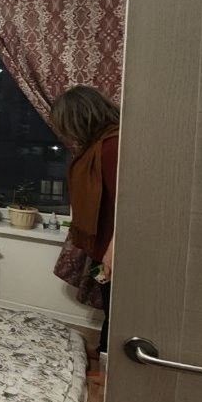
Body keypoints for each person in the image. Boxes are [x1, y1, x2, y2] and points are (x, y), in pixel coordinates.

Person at [49, 85, 120, 357]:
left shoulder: (113, 147)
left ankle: (108, 360)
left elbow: (126, 205)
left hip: (114, 245)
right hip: (103, 244)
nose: (66, 134)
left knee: (117, 306)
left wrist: (113, 250)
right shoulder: (100, 145)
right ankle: (103, 352)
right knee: (111, 302)